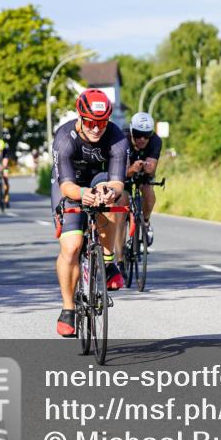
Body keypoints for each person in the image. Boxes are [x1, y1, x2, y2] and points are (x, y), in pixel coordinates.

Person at [51, 89, 128, 337]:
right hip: (70, 183)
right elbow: (65, 185)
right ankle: (68, 309)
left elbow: (117, 182)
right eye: (91, 122)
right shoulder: (65, 138)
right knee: (72, 247)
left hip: (100, 179)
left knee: (112, 199)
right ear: (80, 117)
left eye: (102, 123)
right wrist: (81, 193)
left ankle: (108, 260)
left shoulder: (116, 137)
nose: (96, 129)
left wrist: (109, 192)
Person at [123, 112, 162, 247]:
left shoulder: (156, 141)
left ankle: (146, 222)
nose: (142, 139)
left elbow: (151, 168)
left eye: (146, 136)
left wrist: (147, 167)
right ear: (131, 131)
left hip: (143, 173)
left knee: (149, 195)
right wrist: (132, 169)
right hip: (125, 172)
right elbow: (120, 171)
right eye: (138, 134)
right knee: (121, 199)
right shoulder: (123, 139)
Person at [0, 137, 12, 207]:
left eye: (1, 150)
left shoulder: (5, 151)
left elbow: (5, 162)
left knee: (5, 177)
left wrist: (3, 168)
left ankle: (6, 195)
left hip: (4, 167)